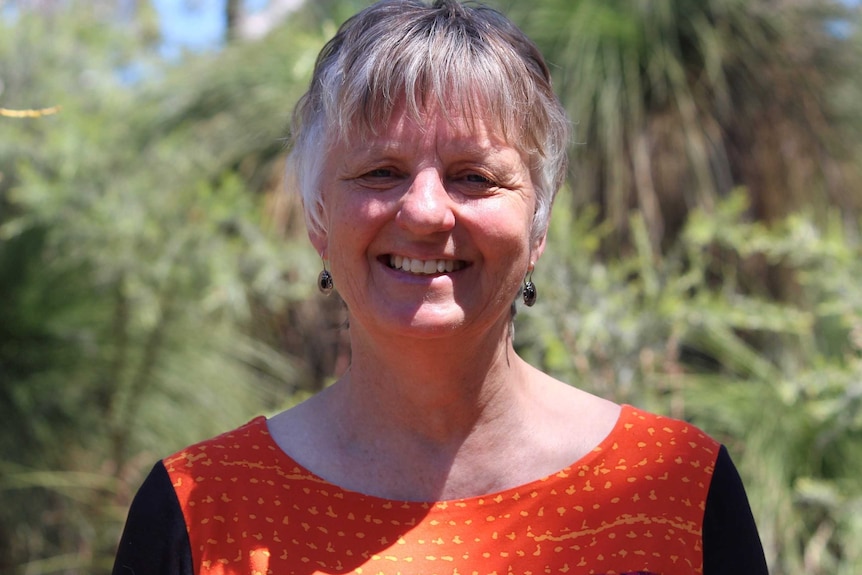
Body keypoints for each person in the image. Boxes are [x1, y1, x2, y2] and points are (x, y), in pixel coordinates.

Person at [112, 1, 768, 574]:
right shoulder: (202, 508)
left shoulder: (676, 491)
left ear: (538, 222)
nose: (425, 211)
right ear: (318, 217)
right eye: (379, 171)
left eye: (473, 176)